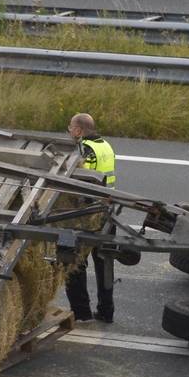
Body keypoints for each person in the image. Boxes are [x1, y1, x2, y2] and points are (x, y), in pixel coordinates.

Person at [64, 113, 117, 323]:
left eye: (70, 127)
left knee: (75, 263)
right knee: (105, 265)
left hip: (88, 214)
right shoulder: (106, 146)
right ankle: (106, 311)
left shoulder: (83, 149)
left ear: (78, 130)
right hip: (108, 212)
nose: (69, 131)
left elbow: (79, 182)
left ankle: (81, 313)